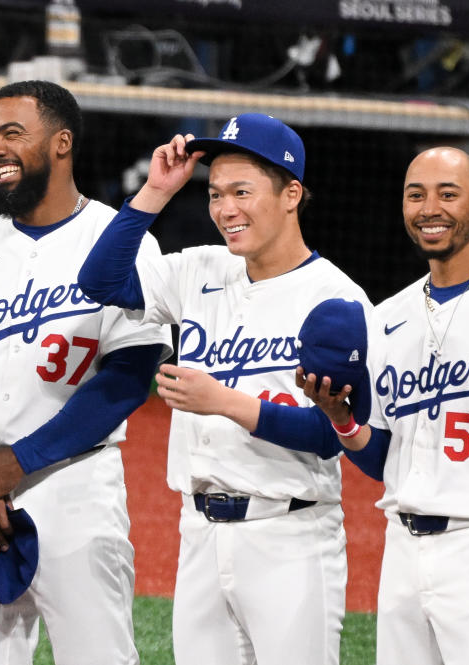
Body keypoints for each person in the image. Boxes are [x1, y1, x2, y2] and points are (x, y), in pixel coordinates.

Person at [78, 114, 371, 665]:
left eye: (242, 191)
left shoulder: (337, 298)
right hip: (200, 534)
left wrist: (225, 403)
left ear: (291, 194)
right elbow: (100, 281)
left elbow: (335, 435)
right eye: (215, 194)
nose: (225, 210)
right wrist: (156, 191)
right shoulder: (200, 269)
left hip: (290, 534)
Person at [0, 80, 170, 665]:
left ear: (61, 142)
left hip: (71, 483)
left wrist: (19, 462)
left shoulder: (119, 241)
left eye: (12, 134)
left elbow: (128, 377)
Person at [296, 146, 469, 665]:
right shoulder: (388, 318)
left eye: (448, 194)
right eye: (416, 195)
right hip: (403, 554)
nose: (429, 208)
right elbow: (384, 459)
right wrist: (342, 420)